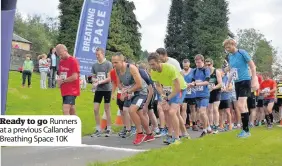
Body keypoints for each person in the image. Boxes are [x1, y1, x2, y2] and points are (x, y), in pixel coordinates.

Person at [112, 52, 154, 145]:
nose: (114, 64)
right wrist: (123, 90)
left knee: (131, 110)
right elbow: (118, 83)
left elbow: (139, 85)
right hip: (132, 92)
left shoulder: (131, 68)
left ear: (122, 61)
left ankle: (139, 133)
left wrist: (128, 91)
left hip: (141, 92)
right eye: (113, 62)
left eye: (116, 62)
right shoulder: (116, 70)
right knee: (140, 114)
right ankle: (149, 134)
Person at [148, 53, 190, 145]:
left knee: (172, 112)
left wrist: (167, 99)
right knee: (172, 113)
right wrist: (163, 96)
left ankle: (176, 138)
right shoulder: (153, 72)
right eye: (150, 64)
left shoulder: (170, 68)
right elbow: (158, 86)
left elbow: (177, 88)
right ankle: (183, 134)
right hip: (168, 90)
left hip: (180, 89)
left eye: (153, 64)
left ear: (159, 61)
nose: (151, 66)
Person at [224, 39, 257, 138]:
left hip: (245, 81)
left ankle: (245, 131)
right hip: (237, 83)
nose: (227, 49)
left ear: (233, 44)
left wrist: (254, 79)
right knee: (243, 106)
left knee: (240, 105)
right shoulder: (230, 56)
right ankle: (246, 130)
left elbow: (253, 66)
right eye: (226, 48)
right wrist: (227, 83)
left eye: (228, 47)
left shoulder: (242, 52)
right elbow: (232, 70)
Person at [91, 48, 113, 137]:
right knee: (95, 109)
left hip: (107, 89)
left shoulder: (108, 64)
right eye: (96, 55)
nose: (97, 56)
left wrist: (99, 82)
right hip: (98, 90)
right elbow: (92, 77)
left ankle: (109, 128)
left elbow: (109, 78)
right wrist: (95, 80)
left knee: (107, 109)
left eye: (98, 54)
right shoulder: (94, 65)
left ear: (103, 54)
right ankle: (98, 128)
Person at [188, 54, 211, 137]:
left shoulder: (206, 69)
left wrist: (196, 84)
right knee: (202, 113)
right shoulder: (194, 71)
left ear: (203, 61)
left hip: (205, 94)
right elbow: (193, 81)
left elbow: (207, 82)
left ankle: (204, 130)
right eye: (196, 62)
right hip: (197, 94)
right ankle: (209, 128)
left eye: (199, 62)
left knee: (202, 112)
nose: (198, 64)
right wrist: (191, 84)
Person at [56, 44, 80, 115]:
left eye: (61, 54)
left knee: (65, 110)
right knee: (72, 110)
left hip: (72, 90)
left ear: (65, 51)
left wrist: (63, 80)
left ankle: (68, 125)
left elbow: (75, 76)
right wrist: (59, 80)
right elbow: (61, 74)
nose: (60, 57)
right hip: (64, 89)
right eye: (58, 55)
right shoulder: (61, 62)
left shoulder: (73, 61)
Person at [205, 58, 222, 134]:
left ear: (212, 64)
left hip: (216, 92)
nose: (208, 66)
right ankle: (211, 126)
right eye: (206, 65)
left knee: (215, 109)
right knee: (209, 110)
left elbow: (220, 84)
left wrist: (213, 87)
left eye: (209, 64)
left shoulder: (216, 72)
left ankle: (216, 126)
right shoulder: (205, 72)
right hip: (208, 93)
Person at [182, 59, 197, 130]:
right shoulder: (181, 72)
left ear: (189, 64)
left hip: (192, 92)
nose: (185, 67)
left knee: (193, 108)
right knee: (183, 108)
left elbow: (196, 80)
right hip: (184, 92)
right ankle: (184, 124)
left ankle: (194, 124)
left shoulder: (193, 71)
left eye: (187, 66)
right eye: (184, 66)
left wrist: (192, 83)